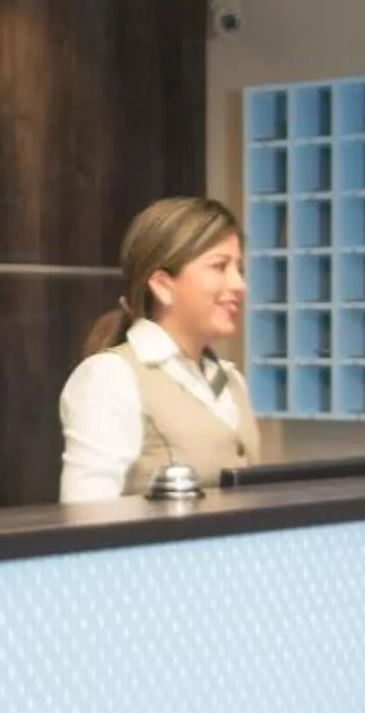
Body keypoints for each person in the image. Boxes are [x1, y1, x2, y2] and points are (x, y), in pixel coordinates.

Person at [59, 196, 261, 503]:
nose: (239, 284)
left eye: (239, 269)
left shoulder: (232, 381)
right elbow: (85, 517)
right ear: (163, 285)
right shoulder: (110, 377)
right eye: (220, 266)